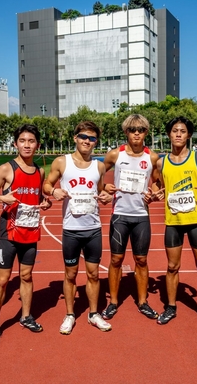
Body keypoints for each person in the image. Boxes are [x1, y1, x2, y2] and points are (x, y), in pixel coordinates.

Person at [0, 124, 52, 345]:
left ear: (37, 145)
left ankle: (26, 316)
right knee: (2, 279)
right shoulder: (7, 169)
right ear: (15, 144)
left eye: (31, 141)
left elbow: (38, 197)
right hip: (9, 231)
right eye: (22, 141)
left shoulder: (40, 171)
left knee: (26, 276)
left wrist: (45, 202)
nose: (27, 145)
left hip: (30, 230)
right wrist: (2, 198)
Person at [42, 121, 113, 334]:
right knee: (70, 274)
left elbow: (100, 190)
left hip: (93, 228)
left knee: (93, 274)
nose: (87, 141)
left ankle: (93, 313)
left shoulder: (99, 166)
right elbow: (46, 184)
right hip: (71, 229)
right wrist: (53, 192)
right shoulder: (62, 162)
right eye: (83, 136)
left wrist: (106, 196)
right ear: (75, 138)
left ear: (96, 142)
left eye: (92, 138)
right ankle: (70, 314)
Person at [155, 116, 197, 329]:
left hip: (195, 221)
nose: (178, 134)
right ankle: (171, 307)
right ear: (169, 134)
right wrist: (156, 192)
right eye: (175, 131)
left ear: (188, 135)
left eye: (182, 131)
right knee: (172, 266)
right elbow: (156, 184)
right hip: (173, 222)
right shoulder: (161, 162)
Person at [100, 114, 161, 321]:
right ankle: (113, 302)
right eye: (132, 130)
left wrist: (153, 193)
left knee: (141, 260)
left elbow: (158, 183)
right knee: (116, 259)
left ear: (146, 132)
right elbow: (96, 174)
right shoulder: (115, 155)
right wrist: (104, 186)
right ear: (126, 132)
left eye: (141, 130)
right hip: (120, 215)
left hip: (141, 215)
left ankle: (143, 302)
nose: (136, 133)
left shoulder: (152, 157)